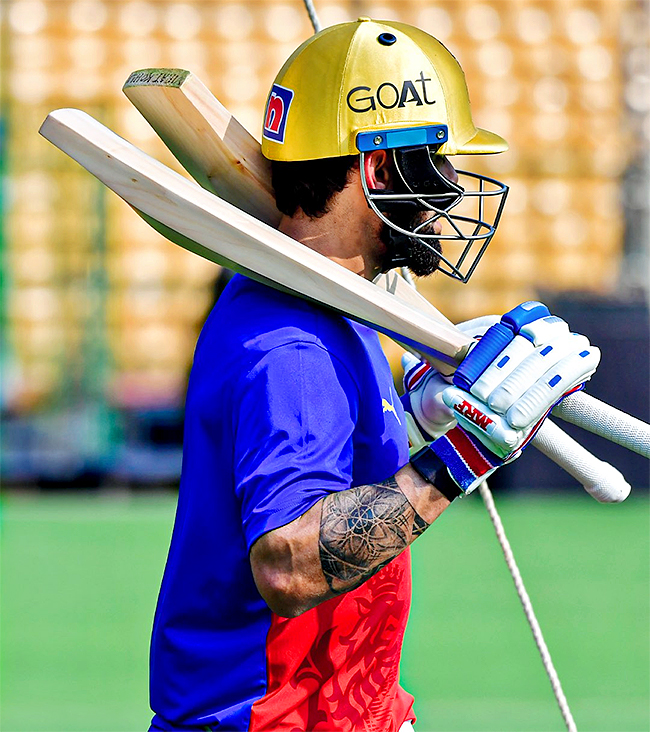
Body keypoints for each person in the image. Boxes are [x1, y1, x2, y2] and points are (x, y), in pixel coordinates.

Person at [148, 18, 599, 732]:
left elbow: (327, 465)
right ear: (378, 170)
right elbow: (290, 565)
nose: (450, 189)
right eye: (435, 162)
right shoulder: (289, 347)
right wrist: (470, 452)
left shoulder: (336, 299)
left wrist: (423, 416)